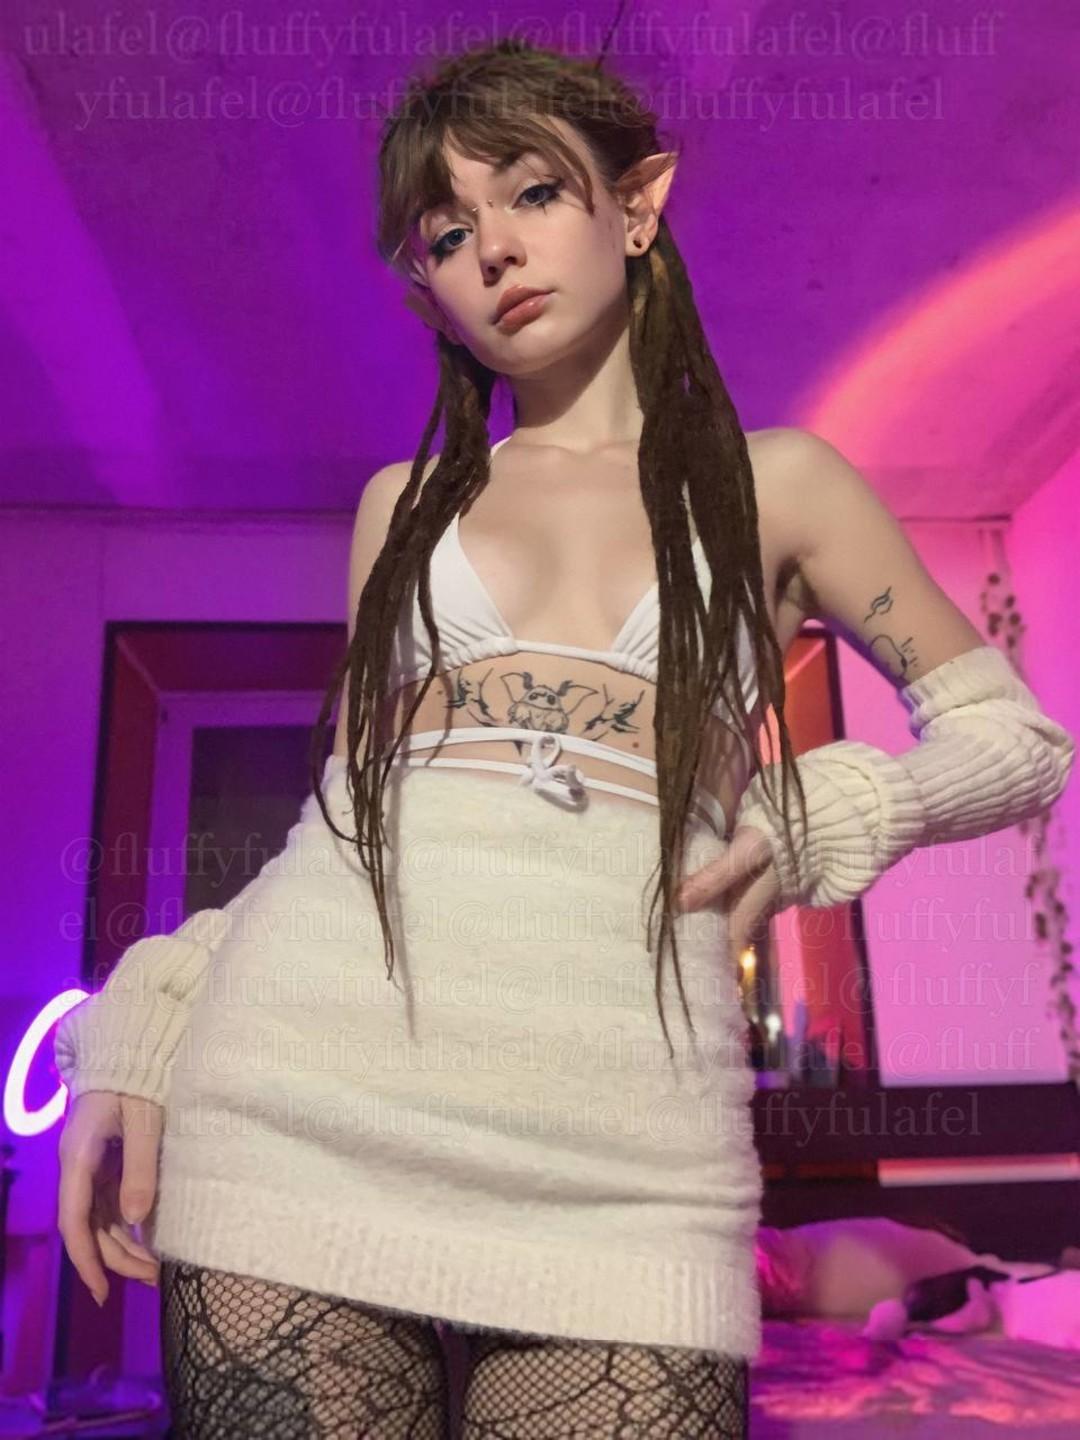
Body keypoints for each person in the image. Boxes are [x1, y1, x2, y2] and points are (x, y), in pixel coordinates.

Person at [54, 38, 1075, 1440]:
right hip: (300, 1104)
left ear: (637, 206)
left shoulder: (777, 487)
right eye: (446, 234)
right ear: (428, 288)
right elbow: (350, 823)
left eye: (533, 192)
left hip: (627, 1167)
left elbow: (1014, 741)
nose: (493, 251)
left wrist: (830, 816)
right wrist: (157, 1011)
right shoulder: (401, 507)